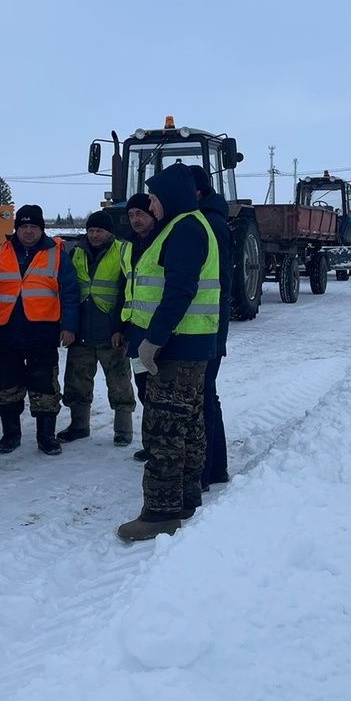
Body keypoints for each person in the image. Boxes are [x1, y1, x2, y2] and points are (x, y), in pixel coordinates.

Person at [117, 165, 220, 542]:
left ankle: (160, 513)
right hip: (189, 344)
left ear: (172, 196)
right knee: (187, 423)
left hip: (176, 347)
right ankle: (187, 498)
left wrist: (153, 339)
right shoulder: (186, 226)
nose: (153, 206)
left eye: (156, 199)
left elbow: (179, 291)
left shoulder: (185, 229)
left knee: (163, 429)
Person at [0, 204, 79, 456]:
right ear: (16, 228)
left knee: (44, 385)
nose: (29, 231)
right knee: (7, 386)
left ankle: (46, 437)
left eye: (34, 226)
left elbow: (70, 291)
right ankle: (10, 434)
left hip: (42, 331)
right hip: (4, 330)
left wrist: (69, 326)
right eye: (24, 226)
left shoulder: (56, 252)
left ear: (41, 229)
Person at [58, 210, 136, 446]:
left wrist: (121, 328)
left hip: (110, 331)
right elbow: (69, 291)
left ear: (109, 232)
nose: (94, 235)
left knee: (120, 383)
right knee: (76, 382)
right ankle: (79, 426)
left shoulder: (123, 251)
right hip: (82, 331)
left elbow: (127, 291)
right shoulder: (77, 252)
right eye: (91, 230)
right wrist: (68, 325)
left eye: (99, 230)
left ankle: (123, 431)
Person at [188, 166, 233, 490]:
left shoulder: (208, 225)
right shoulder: (210, 220)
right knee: (206, 393)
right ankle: (215, 468)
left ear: (198, 192)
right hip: (209, 323)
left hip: (206, 325)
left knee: (203, 394)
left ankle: (207, 470)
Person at [122, 193, 160, 462]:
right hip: (135, 331)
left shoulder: (163, 242)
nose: (136, 220)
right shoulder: (128, 247)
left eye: (141, 214)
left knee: (161, 392)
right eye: (131, 215)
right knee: (144, 389)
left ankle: (162, 445)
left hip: (159, 332)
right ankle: (150, 443)